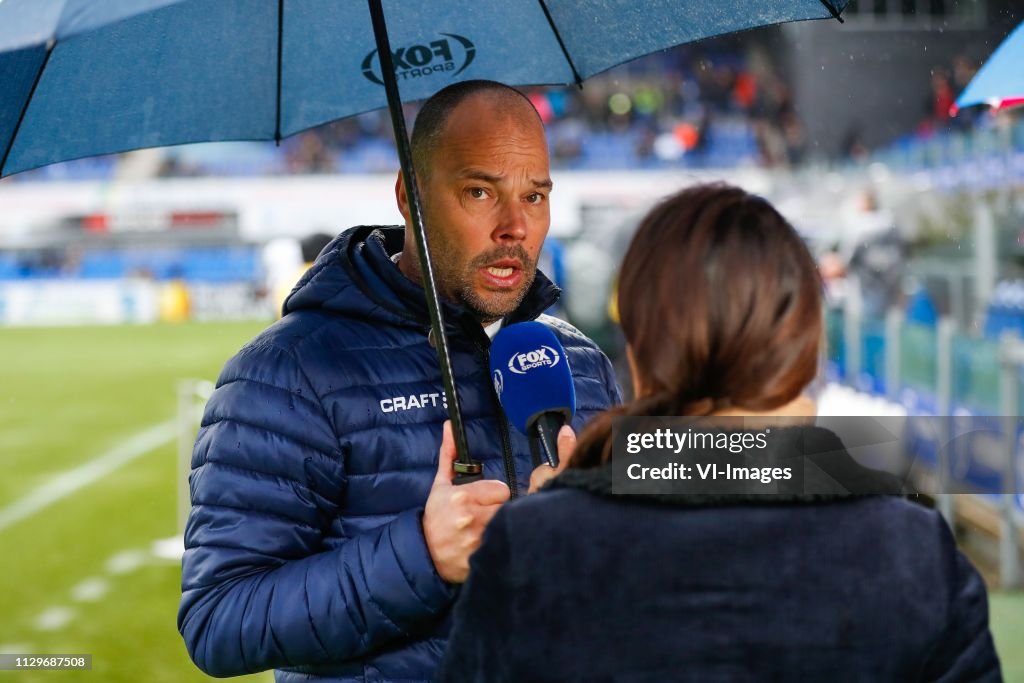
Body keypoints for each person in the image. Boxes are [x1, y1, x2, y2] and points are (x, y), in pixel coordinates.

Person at [438, 184, 1001, 682]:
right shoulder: (912, 552)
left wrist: (553, 535)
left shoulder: (534, 548)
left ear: (640, 350)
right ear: (804, 346)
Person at [177, 80, 620, 682]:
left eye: (535, 196)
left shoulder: (581, 364)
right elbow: (218, 622)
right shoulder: (288, 373)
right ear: (408, 198)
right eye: (480, 191)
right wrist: (423, 555)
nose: (515, 226)